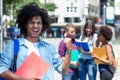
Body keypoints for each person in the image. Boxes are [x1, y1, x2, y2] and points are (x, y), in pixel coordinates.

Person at [0, 2, 72, 80]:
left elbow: (64, 70)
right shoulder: (13, 45)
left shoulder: (49, 48)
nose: (35, 26)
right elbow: (2, 69)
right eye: (32, 23)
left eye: (39, 23)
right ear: (25, 25)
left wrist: (69, 50)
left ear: (42, 25)